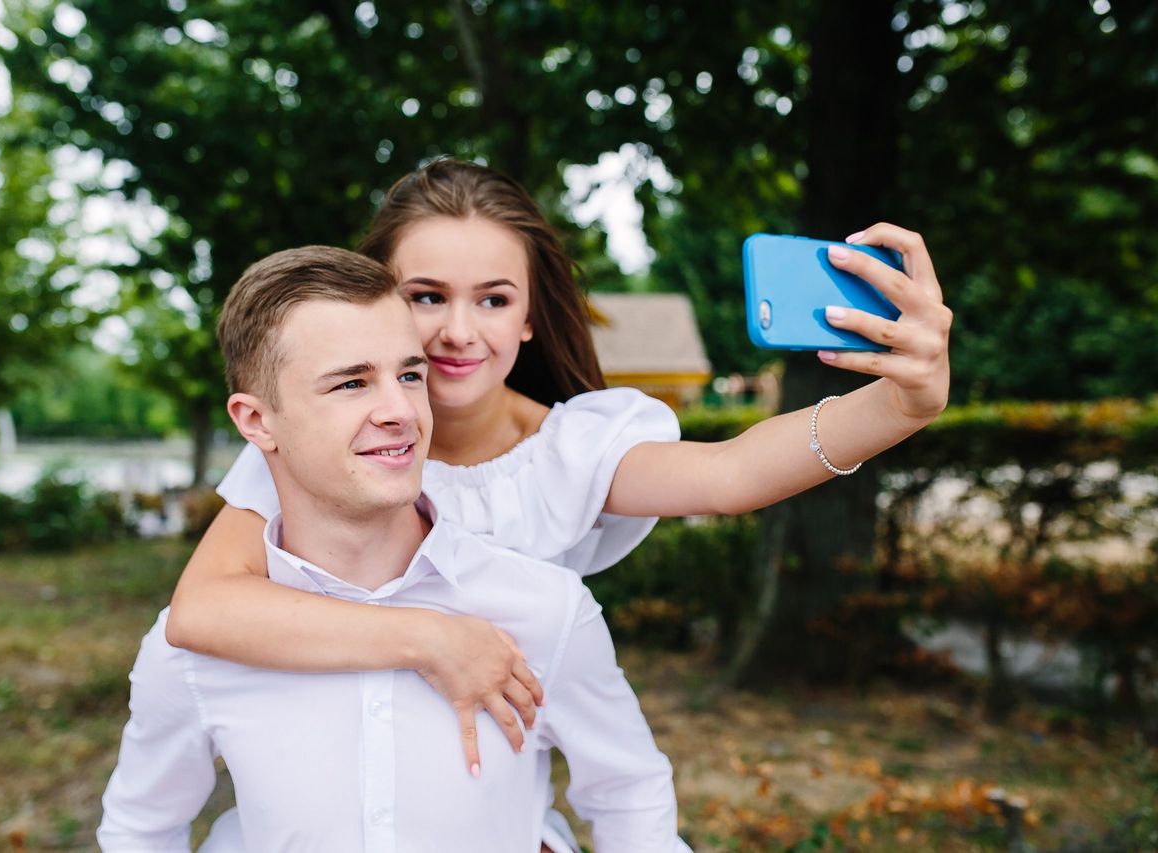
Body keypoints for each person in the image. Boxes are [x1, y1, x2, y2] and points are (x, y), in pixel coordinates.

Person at [166, 160, 953, 850]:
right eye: (427, 295)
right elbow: (202, 610)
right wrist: (428, 638)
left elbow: (730, 474)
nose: (457, 331)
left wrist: (903, 405)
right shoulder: (313, 447)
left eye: (495, 299)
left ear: (531, 315)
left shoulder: (569, 453)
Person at [98, 246, 689, 852]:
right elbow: (140, 829)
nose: (401, 411)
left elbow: (630, 797)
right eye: (352, 383)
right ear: (256, 422)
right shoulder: (195, 652)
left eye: (409, 375)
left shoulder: (543, 609)